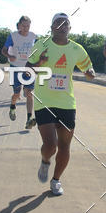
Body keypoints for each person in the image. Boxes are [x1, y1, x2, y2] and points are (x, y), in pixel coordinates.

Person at [26, 14, 95, 196]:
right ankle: (45, 159)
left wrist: (90, 73)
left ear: (69, 28)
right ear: (52, 27)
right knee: (50, 145)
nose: (62, 26)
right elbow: (27, 68)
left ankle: (56, 180)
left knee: (64, 146)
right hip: (44, 101)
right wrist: (39, 63)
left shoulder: (76, 49)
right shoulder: (42, 44)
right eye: (58, 22)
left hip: (67, 103)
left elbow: (88, 67)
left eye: (66, 23)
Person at [4, 16, 38, 128]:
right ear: (19, 25)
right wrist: (10, 56)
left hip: (28, 68)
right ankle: (12, 107)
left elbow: (38, 50)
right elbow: (4, 50)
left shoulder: (33, 36)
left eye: (28, 25)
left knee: (29, 94)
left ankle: (29, 119)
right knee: (17, 94)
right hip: (15, 67)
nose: (26, 28)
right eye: (24, 25)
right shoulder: (13, 36)